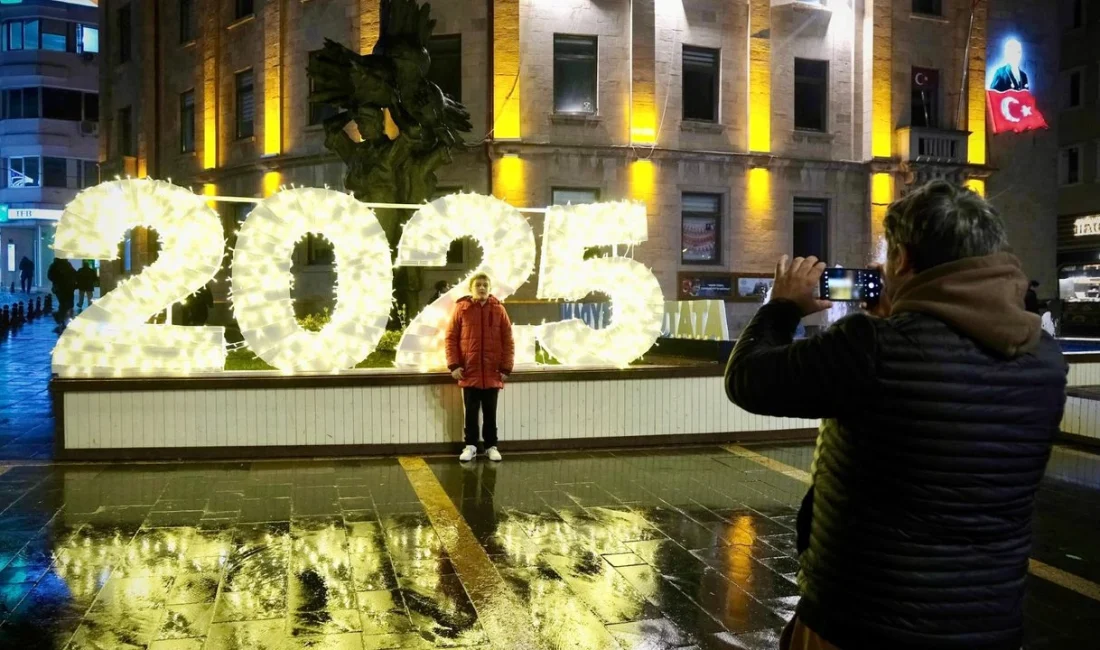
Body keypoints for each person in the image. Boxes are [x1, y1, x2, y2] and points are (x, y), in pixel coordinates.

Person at [724, 180, 1066, 650]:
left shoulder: (872, 348)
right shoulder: (1044, 357)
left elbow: (747, 379)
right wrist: (900, 314)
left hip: (860, 620)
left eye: (888, 258)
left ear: (902, 260)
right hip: (988, 624)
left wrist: (783, 305)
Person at [445, 272, 514, 463]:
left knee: (491, 413)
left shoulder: (499, 310)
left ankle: (491, 446)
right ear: (471, 289)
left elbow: (508, 340)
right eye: (478, 285)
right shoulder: (462, 309)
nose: (482, 288)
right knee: (471, 413)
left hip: (492, 372)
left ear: (489, 289)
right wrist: (454, 365)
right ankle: (471, 446)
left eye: (485, 285)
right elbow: (451, 338)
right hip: (470, 372)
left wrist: (506, 368)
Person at [47, 257, 77, 330]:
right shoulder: (66, 265)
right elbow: (74, 274)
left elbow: (50, 276)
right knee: (65, 304)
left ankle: (61, 319)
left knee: (65, 304)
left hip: (62, 287)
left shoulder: (55, 265)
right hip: (65, 287)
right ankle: (61, 320)